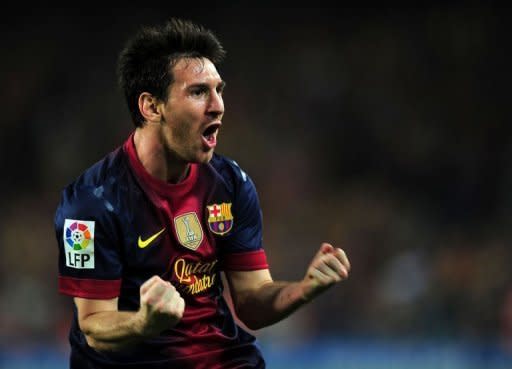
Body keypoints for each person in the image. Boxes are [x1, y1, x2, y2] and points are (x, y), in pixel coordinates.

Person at [54, 17, 351, 369]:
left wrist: (303, 289)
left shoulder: (230, 183)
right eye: (198, 92)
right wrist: (143, 323)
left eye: (218, 90)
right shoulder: (90, 202)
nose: (218, 105)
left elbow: (252, 301)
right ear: (151, 107)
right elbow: (94, 326)